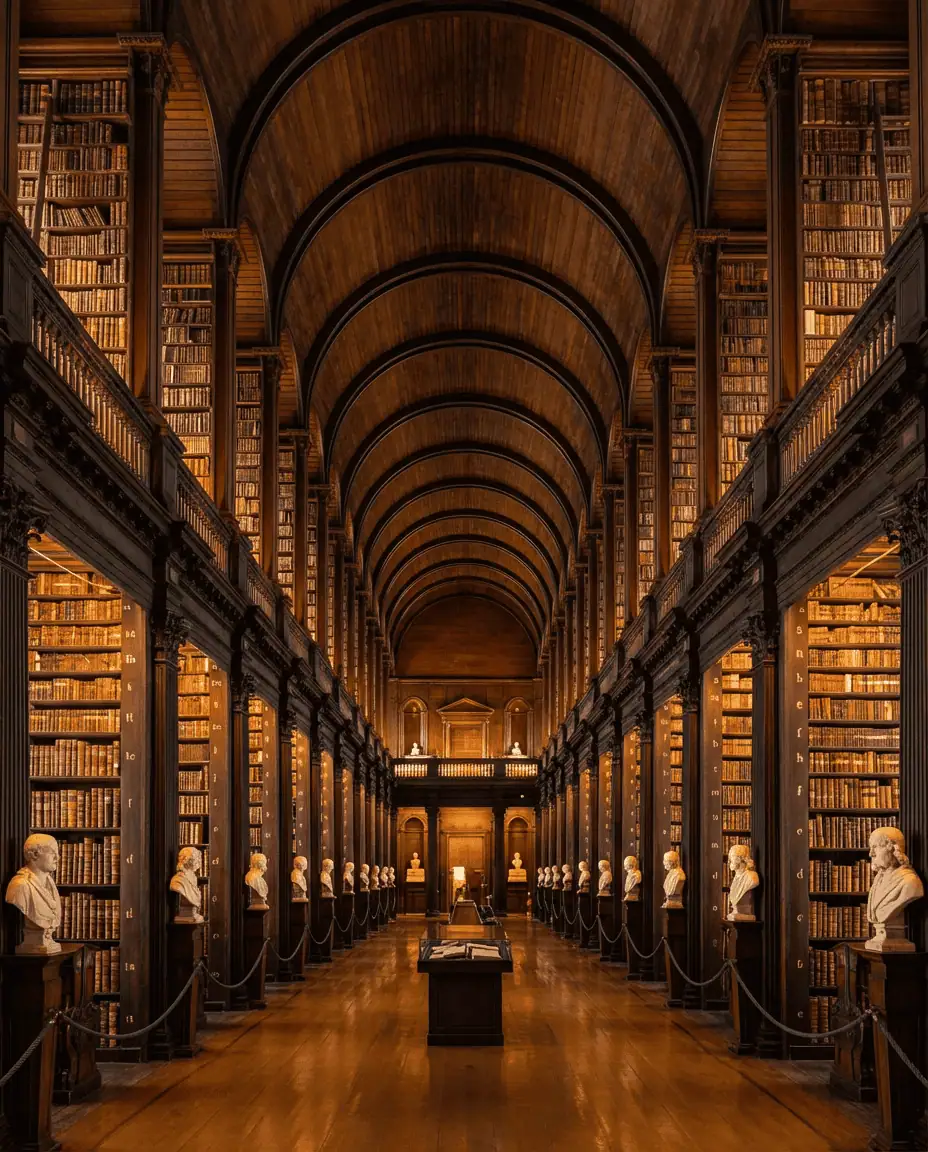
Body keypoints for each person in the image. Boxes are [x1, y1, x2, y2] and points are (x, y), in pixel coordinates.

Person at [866, 827, 924, 951]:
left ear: (893, 848)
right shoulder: (877, 881)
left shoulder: (910, 882)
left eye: (876, 847)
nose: (871, 853)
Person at [5, 833, 61, 954]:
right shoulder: (20, 886)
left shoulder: (50, 884)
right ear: (35, 854)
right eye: (52, 852)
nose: (58, 858)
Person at [170, 846, 203, 922]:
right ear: (187, 860)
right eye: (196, 858)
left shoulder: (193, 878)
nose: (199, 861)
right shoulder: (177, 880)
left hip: (193, 915)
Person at [726, 844, 758, 921]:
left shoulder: (751, 877)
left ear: (741, 858)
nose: (729, 861)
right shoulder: (735, 879)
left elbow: (754, 882)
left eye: (732, 856)